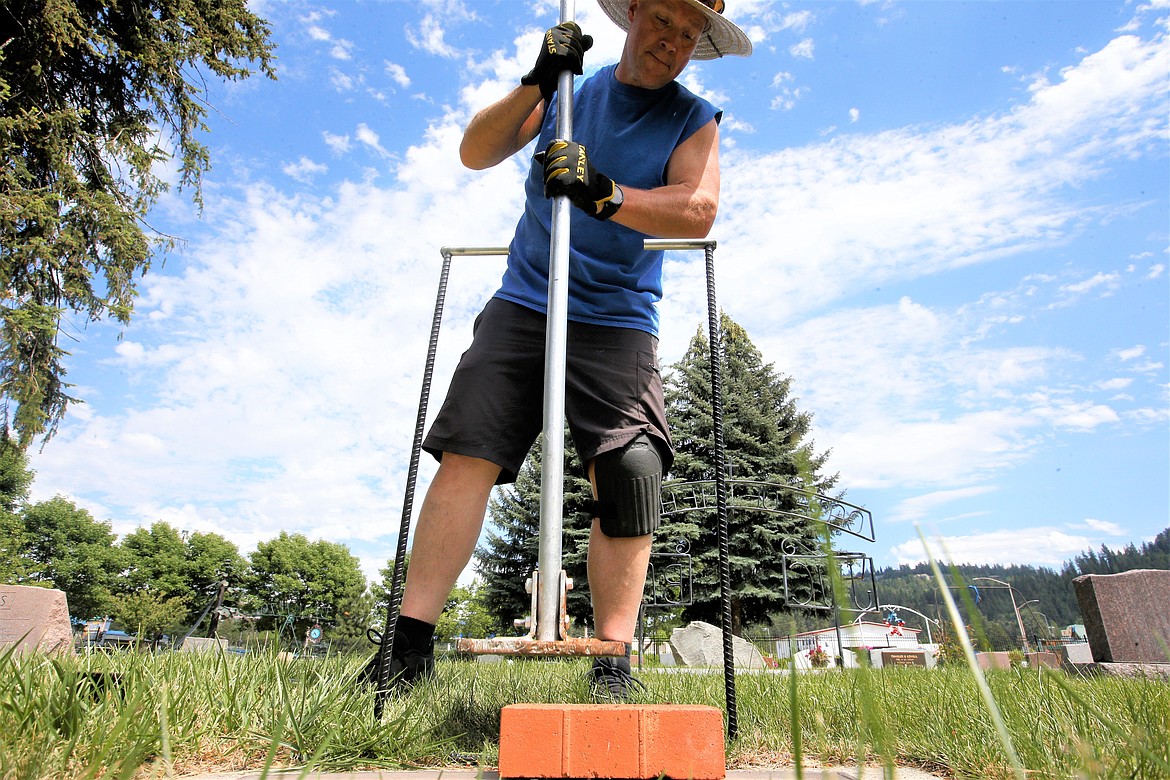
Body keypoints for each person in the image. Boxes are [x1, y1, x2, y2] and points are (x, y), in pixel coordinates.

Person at [377, 0, 751, 701]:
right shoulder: (571, 91)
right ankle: (405, 652)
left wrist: (603, 192)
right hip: (527, 301)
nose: (671, 42)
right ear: (633, 12)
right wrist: (541, 78)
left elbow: (697, 208)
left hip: (618, 320)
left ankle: (612, 664)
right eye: (663, 20)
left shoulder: (692, 117)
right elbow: (475, 152)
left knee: (633, 472)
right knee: (469, 451)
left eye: (687, 33)